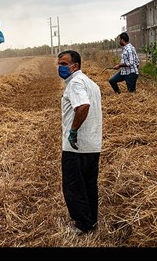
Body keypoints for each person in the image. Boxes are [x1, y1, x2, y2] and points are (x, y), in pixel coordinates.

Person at [57, 50, 103, 234]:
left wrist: (73, 131)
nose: (59, 67)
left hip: (76, 147)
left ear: (74, 66)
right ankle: (91, 221)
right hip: (93, 144)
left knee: (73, 188)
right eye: (59, 64)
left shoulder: (75, 83)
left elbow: (83, 106)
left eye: (63, 64)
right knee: (89, 185)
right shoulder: (91, 83)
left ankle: (83, 225)